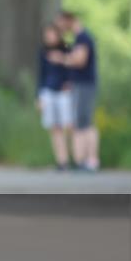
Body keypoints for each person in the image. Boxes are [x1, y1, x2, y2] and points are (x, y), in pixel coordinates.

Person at [51, 11, 99, 171]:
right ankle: (84, 161)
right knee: (82, 122)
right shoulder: (80, 38)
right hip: (80, 85)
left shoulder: (83, 37)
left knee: (83, 123)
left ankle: (88, 161)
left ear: (69, 20)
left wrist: (61, 58)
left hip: (84, 85)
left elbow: (80, 60)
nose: (61, 29)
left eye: (62, 24)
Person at [36, 24, 73, 170]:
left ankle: (73, 156)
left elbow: (72, 68)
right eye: (47, 35)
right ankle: (61, 160)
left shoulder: (66, 49)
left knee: (68, 125)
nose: (49, 37)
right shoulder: (43, 52)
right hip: (48, 91)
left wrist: (69, 82)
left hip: (63, 92)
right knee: (54, 127)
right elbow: (41, 74)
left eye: (51, 34)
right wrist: (38, 96)